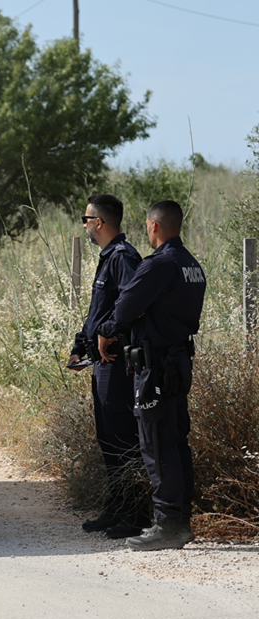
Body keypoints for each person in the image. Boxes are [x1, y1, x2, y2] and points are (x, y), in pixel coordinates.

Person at [96, 200, 206, 551]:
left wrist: (107, 329)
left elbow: (125, 307)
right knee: (176, 441)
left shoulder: (159, 265)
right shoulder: (192, 265)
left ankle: (168, 524)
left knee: (157, 444)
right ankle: (181, 520)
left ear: (154, 226)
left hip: (155, 366)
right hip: (178, 362)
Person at [66, 194, 147, 539]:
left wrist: (108, 332)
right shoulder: (108, 257)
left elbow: (135, 303)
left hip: (118, 363)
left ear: (99, 222)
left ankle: (136, 514)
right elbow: (99, 309)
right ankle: (116, 508)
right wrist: (80, 346)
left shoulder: (124, 257)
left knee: (122, 440)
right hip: (101, 362)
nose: (84, 225)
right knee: (107, 439)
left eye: (86, 219)